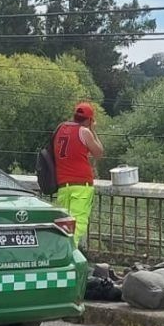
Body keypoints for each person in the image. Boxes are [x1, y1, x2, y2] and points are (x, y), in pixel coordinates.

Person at [52, 102, 104, 248]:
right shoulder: (84, 132)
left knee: (62, 225)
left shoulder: (60, 129)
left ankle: (58, 251)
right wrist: (93, 130)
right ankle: (68, 255)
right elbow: (99, 152)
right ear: (89, 120)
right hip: (81, 185)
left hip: (63, 185)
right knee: (77, 224)